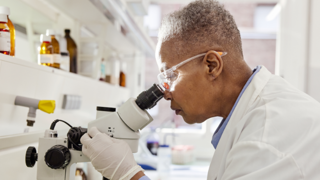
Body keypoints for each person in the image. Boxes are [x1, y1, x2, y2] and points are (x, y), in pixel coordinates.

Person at [80, 0, 320, 179]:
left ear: (211, 65)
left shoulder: (267, 137)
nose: (165, 92)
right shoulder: (250, 116)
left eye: (170, 75)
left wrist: (128, 174)